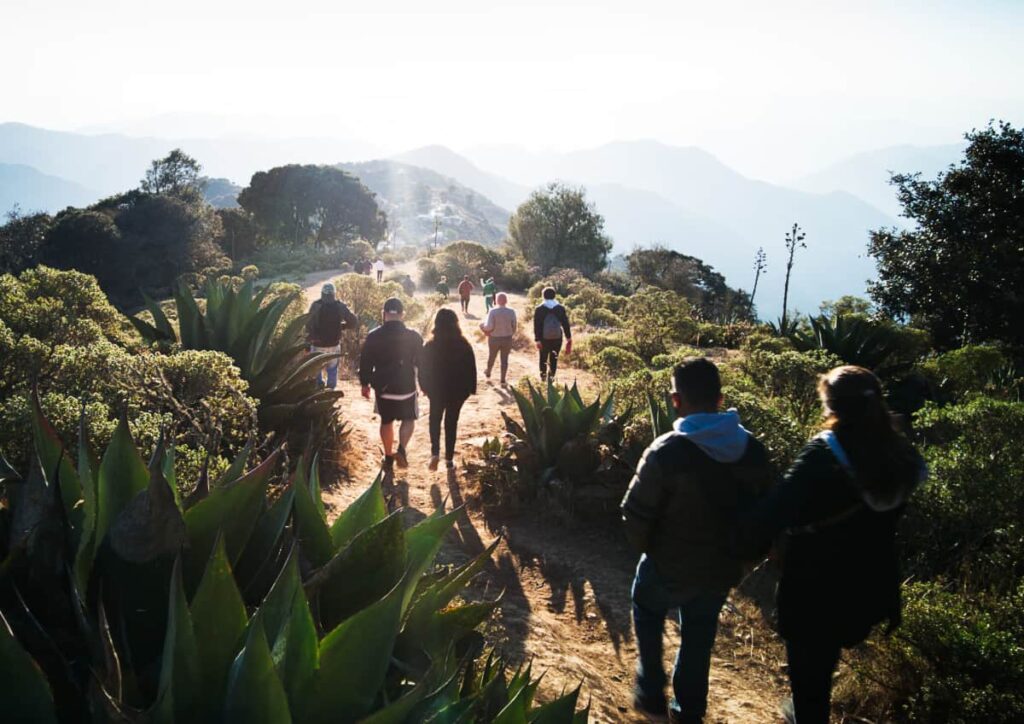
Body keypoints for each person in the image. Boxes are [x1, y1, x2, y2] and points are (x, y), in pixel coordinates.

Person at [737, 366, 925, 724]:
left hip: (813, 584)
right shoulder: (901, 458)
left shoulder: (824, 454)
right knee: (823, 661)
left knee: (810, 676)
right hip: (868, 582)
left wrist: (740, 548)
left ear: (832, 407)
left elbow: (773, 512)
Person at [621, 358, 773, 723]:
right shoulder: (752, 450)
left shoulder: (666, 451)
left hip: (666, 563)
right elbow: (768, 513)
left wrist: (649, 550)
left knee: (646, 608)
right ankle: (689, 710)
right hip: (720, 569)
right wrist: (741, 563)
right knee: (699, 636)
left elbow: (635, 512)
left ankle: (651, 690)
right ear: (720, 399)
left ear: (675, 400)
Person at [358, 297, 423, 470]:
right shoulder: (414, 336)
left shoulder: (373, 336)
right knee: (409, 418)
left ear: (384, 314)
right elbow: (422, 362)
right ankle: (401, 449)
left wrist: (365, 384)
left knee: (386, 421)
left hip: (384, 388)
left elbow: (365, 363)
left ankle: (388, 457)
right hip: (407, 387)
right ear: (402, 314)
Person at [419, 308, 476, 471]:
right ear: (455, 323)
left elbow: (422, 369)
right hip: (458, 391)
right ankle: (449, 460)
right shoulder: (464, 344)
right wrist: (469, 390)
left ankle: (434, 453)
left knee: (435, 419)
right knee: (451, 422)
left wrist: (424, 387)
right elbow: (471, 369)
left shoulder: (430, 345)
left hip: (436, 390)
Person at [306, 282, 358, 389]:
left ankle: (317, 391)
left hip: (317, 345)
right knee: (332, 369)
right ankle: (330, 393)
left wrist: (307, 346)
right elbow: (353, 321)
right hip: (334, 345)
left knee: (316, 369)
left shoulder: (315, 306)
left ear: (322, 294)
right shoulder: (340, 306)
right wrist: (342, 326)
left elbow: (308, 326)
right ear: (334, 294)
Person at [532, 286, 571, 382]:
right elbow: (565, 323)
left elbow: (537, 326)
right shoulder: (560, 308)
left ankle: (543, 378)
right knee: (554, 358)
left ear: (543, 296)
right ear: (554, 296)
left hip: (543, 338)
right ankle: (551, 379)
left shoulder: (539, 309)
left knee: (543, 358)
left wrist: (537, 339)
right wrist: (568, 338)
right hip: (557, 338)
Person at [480, 292, 517, 387]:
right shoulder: (511, 311)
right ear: (506, 301)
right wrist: (510, 333)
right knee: (504, 359)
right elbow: (514, 327)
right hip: (507, 338)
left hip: (494, 339)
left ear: (496, 300)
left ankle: (488, 371)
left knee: (492, 356)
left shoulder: (493, 311)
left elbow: (489, 327)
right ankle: (503, 379)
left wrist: (482, 326)